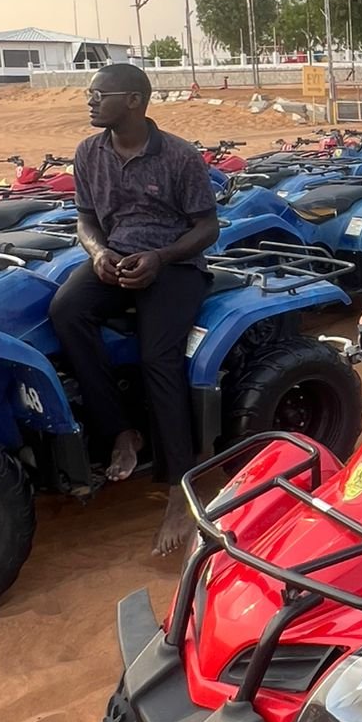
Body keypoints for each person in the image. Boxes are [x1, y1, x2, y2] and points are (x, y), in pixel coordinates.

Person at [50, 63, 219, 555]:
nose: (89, 99)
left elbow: (207, 228)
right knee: (67, 312)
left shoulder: (179, 156)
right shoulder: (88, 153)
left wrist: (161, 257)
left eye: (98, 93)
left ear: (133, 101)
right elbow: (84, 219)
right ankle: (122, 432)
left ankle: (178, 491)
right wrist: (99, 253)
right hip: (115, 258)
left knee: (157, 357)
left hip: (175, 266)